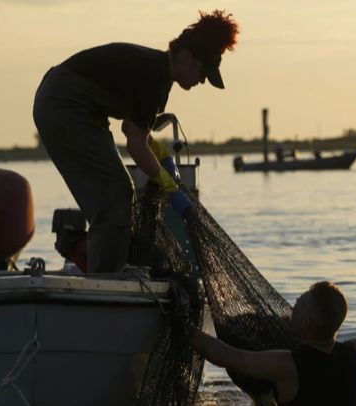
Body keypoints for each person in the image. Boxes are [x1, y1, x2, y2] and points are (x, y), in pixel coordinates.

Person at [32, 10, 239, 273]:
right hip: (64, 105)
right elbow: (136, 147)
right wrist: (170, 187)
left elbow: (132, 128)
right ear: (187, 57)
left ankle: (110, 271)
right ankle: (105, 281)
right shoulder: (153, 75)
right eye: (202, 71)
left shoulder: (156, 71)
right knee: (115, 193)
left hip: (73, 104)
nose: (202, 80)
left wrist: (161, 153)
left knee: (117, 192)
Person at [184, 281, 356, 406]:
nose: (294, 302)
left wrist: (184, 325)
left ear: (306, 323)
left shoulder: (288, 364)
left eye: (300, 303)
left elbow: (229, 357)